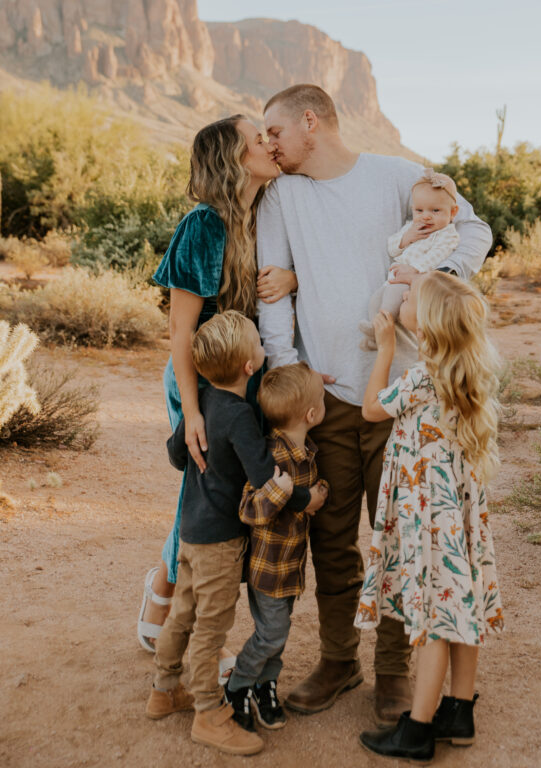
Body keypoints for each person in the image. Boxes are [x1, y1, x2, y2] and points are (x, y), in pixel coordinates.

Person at [256, 84, 493, 724]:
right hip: (326, 398)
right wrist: (287, 372)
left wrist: (432, 278)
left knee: (396, 535)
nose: (268, 144)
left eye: (274, 131)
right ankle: (339, 660)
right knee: (330, 534)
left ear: (311, 121)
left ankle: (393, 670)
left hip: (403, 397)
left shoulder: (399, 176)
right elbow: (272, 291)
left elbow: (475, 228)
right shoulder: (280, 197)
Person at [137, 116, 324, 654]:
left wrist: (294, 277)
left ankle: (199, 615)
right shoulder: (203, 225)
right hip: (202, 378)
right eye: (257, 138)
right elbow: (180, 331)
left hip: (248, 377)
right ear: (233, 158)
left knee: (237, 488)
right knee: (205, 486)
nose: (269, 142)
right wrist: (193, 414)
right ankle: (165, 590)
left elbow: (300, 272)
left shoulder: (267, 212)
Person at [356, 272, 504, 762]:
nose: (403, 296)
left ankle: (417, 729)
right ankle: (458, 712)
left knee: (437, 618)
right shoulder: (464, 369)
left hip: (429, 513)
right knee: (463, 606)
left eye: (413, 296)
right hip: (458, 512)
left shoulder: (422, 376)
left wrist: (382, 349)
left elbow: (373, 409)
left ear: (428, 324)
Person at [145, 310, 275, 756]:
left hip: (191, 533)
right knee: (211, 629)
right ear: (249, 366)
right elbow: (263, 477)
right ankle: (208, 713)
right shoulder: (240, 415)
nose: (264, 348)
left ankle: (164, 690)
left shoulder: (200, 405)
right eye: (260, 343)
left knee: (183, 613)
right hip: (221, 541)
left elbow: (177, 455)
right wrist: (301, 496)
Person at [224, 362, 328, 732]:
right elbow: (249, 508)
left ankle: (265, 685)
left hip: (291, 567)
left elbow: (314, 491)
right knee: (272, 633)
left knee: (278, 631)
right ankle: (237, 686)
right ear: (312, 414)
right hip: (267, 568)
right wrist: (282, 493)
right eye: (322, 397)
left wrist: (317, 495)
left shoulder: (308, 452)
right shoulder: (271, 456)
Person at [358, 168, 460, 350]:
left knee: (390, 302)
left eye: (435, 210)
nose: (426, 216)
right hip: (395, 276)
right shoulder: (411, 227)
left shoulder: (448, 234)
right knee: (375, 300)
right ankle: (376, 335)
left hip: (412, 280)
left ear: (452, 213)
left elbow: (438, 254)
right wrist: (407, 238)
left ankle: (382, 326)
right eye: (419, 210)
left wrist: (415, 269)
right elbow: (392, 248)